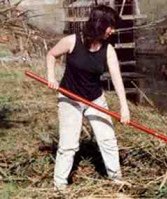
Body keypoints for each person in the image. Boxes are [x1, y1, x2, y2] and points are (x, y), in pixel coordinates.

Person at [46, 5, 130, 190]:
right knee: (68, 145)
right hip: (70, 98)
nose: (113, 31)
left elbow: (117, 79)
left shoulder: (108, 50)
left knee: (108, 140)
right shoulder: (72, 41)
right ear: (100, 24)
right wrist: (51, 77)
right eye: (111, 26)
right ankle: (59, 185)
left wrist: (124, 107)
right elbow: (51, 54)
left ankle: (116, 179)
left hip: (94, 100)